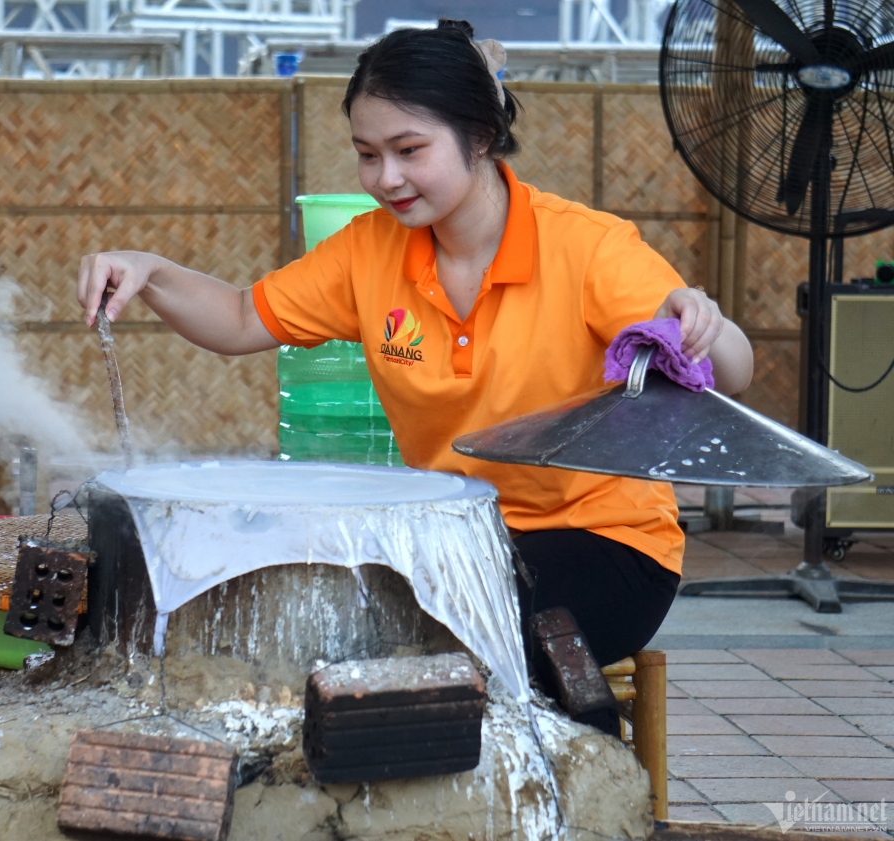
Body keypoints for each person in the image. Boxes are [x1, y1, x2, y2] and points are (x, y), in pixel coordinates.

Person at [77, 20, 753, 682]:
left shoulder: (589, 249)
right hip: (454, 538)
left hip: (604, 542)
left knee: (446, 641)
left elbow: (735, 373)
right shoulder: (367, 252)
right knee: (328, 625)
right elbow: (235, 318)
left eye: (409, 150)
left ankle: (568, 761)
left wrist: (708, 327)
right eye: (368, 153)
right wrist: (151, 270)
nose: (386, 177)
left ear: (480, 136)